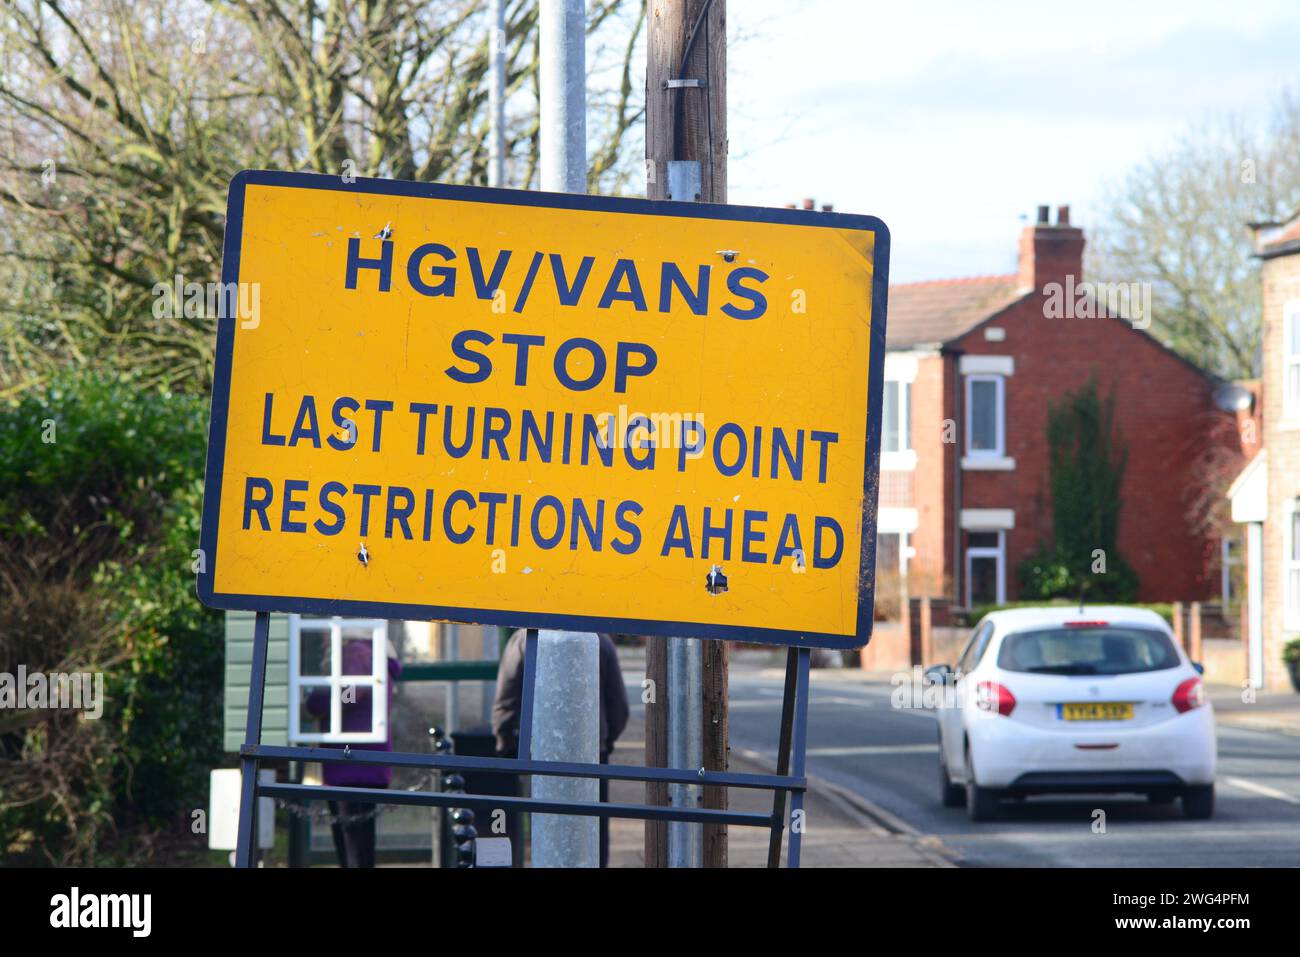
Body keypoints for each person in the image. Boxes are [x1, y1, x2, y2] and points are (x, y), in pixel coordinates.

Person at [492, 631, 629, 867]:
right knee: (593, 830)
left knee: (545, 825)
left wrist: (505, 745)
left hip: (540, 754)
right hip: (593, 755)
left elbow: (506, 700)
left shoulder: (525, 639)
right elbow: (619, 707)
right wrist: (605, 743)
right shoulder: (598, 640)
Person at [306, 635, 402, 867]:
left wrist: (316, 702)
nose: (323, 640)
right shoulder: (373, 654)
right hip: (364, 763)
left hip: (351, 765)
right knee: (359, 845)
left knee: (353, 847)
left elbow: (351, 694)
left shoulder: (356, 652)